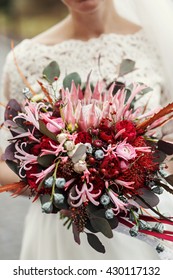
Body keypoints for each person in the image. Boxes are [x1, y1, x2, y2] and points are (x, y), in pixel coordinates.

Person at [0, 0, 173, 259]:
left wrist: (135, 176)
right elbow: (6, 162)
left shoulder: (161, 43)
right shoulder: (25, 59)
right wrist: (63, 187)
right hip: (64, 235)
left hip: (147, 227)